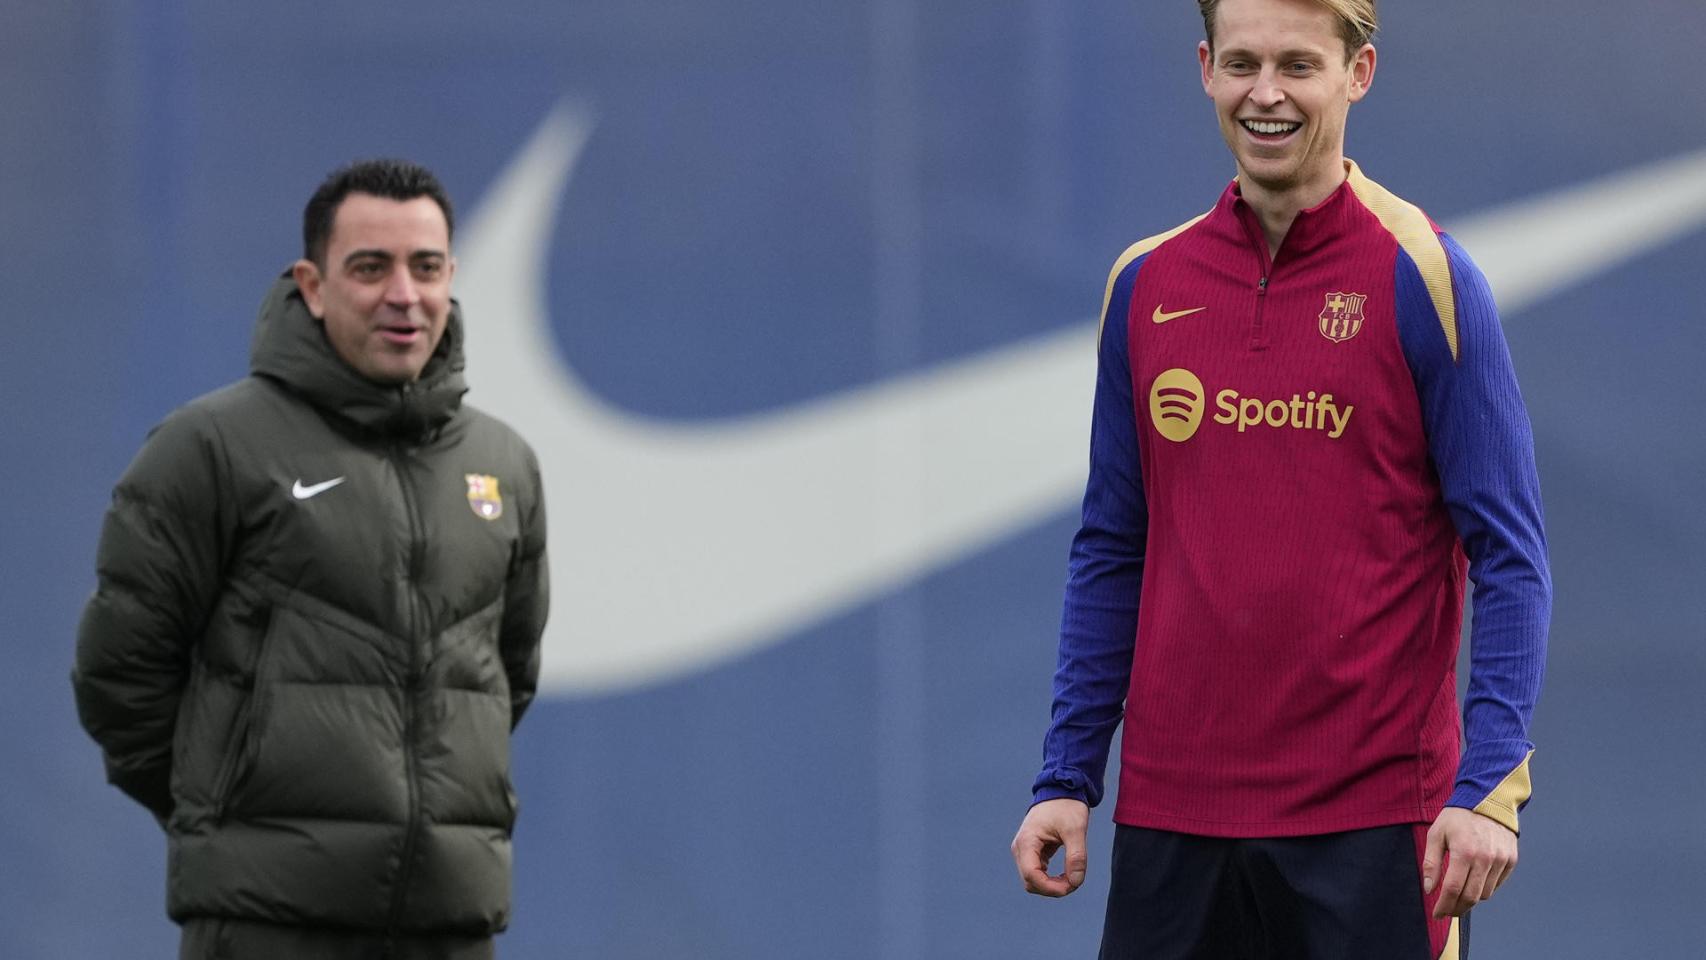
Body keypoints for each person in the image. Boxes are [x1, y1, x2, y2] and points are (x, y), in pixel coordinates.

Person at [1009, 1, 1550, 956]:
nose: (1267, 94)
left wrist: (1488, 788)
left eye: (1299, 66)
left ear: (1359, 73)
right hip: (1173, 821)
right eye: (1244, 63)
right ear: (1206, 67)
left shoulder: (1424, 276)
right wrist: (1066, 773)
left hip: (1379, 827)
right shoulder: (1146, 283)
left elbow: (1509, 555)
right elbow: (1112, 548)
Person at [72, 159, 549, 960]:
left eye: (425, 267)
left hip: (450, 927)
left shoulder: (504, 466)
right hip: (267, 926)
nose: (404, 294)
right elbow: (121, 680)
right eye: (370, 267)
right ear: (313, 283)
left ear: (450, 279)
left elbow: (507, 678)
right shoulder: (212, 448)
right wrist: (233, 812)